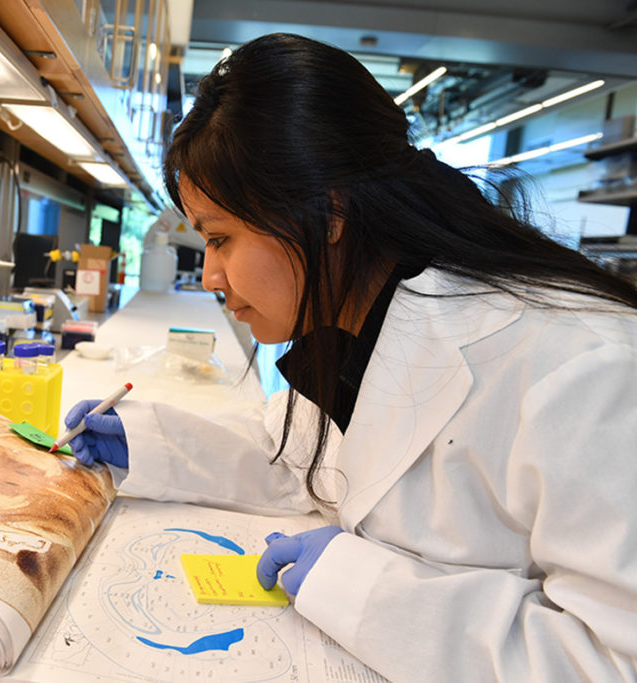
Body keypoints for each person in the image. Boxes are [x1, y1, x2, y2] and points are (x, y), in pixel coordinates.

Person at [64, 32, 637, 681]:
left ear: (328, 211)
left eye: (221, 239)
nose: (211, 277)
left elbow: (612, 656)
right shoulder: (368, 315)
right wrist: (150, 442)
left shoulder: (585, 364)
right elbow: (308, 463)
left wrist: (369, 591)